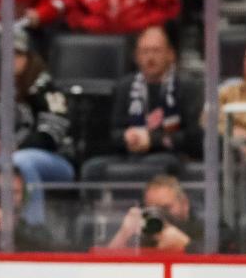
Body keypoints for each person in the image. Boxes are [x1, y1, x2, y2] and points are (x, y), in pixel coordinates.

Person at [0, 30, 73, 225]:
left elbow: (51, 135)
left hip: (52, 160)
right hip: (1, 155)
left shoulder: (45, 87)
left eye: (17, 55)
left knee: (20, 161)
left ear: (28, 57)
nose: (11, 60)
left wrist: (14, 146)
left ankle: (32, 226)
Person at [81, 25, 202, 180]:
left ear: (170, 55)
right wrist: (127, 137)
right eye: (144, 52)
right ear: (136, 56)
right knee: (92, 168)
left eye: (156, 51)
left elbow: (193, 137)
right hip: (129, 154)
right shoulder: (124, 86)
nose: (150, 58)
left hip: (170, 154)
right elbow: (112, 132)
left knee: (155, 164)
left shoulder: (187, 86)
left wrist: (152, 140)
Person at [105, 174, 198, 251]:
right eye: (153, 210)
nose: (160, 214)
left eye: (166, 208)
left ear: (185, 204)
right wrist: (124, 234)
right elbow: (104, 269)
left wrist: (186, 246)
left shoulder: (203, 232)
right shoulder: (141, 237)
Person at [64, 0, 181, 33]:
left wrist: (145, 23)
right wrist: (91, 23)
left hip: (140, 38)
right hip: (92, 40)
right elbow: (71, 12)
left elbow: (170, 8)